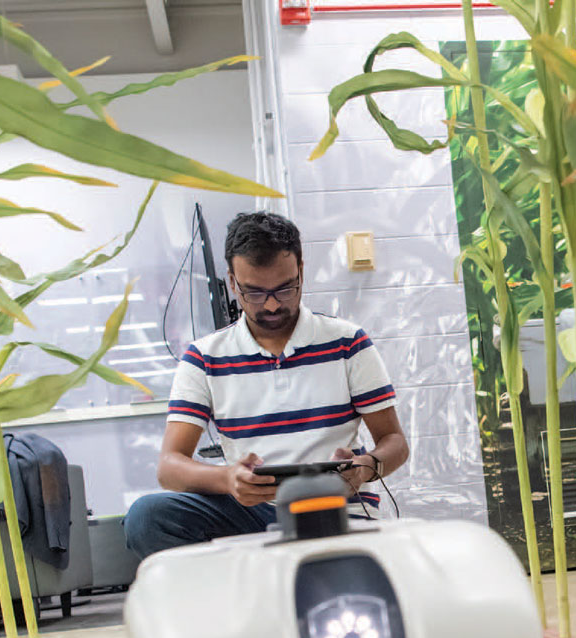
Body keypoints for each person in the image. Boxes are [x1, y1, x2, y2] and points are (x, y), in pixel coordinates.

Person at [124, 211, 409, 559]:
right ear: (232, 282)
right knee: (147, 516)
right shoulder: (204, 358)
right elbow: (169, 467)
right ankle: (226, 607)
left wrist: (365, 467)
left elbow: (394, 443)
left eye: (285, 289)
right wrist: (228, 479)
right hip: (251, 512)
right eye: (254, 293)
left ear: (301, 271)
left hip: (335, 506)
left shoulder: (347, 343)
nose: (272, 304)